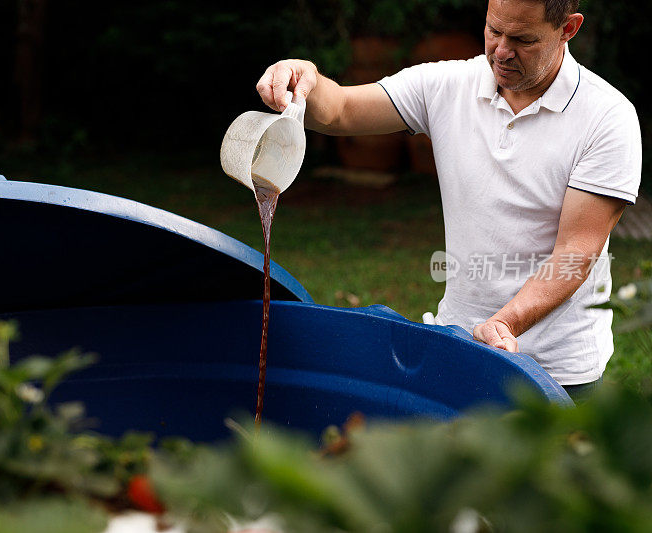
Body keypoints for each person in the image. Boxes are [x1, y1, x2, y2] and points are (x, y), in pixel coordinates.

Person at [256, 0, 642, 400]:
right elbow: (340, 111)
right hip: (456, 346)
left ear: (568, 28)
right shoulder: (447, 85)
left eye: (523, 39)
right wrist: (307, 77)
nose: (502, 51)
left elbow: (576, 252)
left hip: (558, 371)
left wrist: (505, 323)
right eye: (494, 31)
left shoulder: (606, 117)